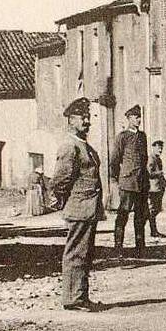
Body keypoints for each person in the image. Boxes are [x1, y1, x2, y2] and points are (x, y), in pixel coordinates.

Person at [51, 97, 105, 311]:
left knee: (86, 253)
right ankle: (72, 299)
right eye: (82, 117)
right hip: (79, 207)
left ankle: (81, 296)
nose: (87, 121)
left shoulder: (85, 146)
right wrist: (64, 201)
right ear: (71, 120)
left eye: (88, 117)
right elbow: (60, 180)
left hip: (89, 209)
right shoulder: (70, 146)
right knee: (76, 253)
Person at [109, 104, 150, 255]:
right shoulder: (122, 136)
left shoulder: (142, 136)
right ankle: (118, 246)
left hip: (141, 182)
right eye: (135, 117)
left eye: (139, 117)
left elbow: (144, 158)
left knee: (141, 214)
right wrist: (117, 178)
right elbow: (115, 159)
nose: (138, 120)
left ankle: (140, 246)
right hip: (127, 182)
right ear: (128, 118)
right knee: (123, 213)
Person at [147, 140, 166, 238]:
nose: (160, 150)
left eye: (161, 148)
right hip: (153, 188)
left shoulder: (158, 158)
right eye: (158, 148)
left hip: (159, 187)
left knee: (157, 209)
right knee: (153, 210)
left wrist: (164, 181)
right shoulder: (151, 159)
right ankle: (153, 231)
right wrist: (161, 172)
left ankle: (153, 230)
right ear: (153, 148)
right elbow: (149, 173)